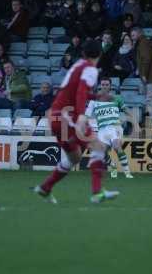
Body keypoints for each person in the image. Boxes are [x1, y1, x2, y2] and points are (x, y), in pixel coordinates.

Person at [33, 40, 119, 204]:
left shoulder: (79, 64)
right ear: (100, 54)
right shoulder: (90, 69)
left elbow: (73, 91)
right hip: (68, 116)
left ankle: (45, 188)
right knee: (98, 146)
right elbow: (80, 92)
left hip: (55, 116)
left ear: (84, 53)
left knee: (75, 158)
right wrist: (80, 115)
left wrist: (96, 97)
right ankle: (97, 192)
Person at [86, 77, 134, 179]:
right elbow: (87, 115)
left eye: (107, 85)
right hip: (102, 129)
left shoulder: (117, 98)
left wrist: (133, 118)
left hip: (115, 127)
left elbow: (125, 110)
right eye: (103, 84)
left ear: (110, 86)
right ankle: (113, 166)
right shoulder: (94, 100)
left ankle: (127, 172)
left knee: (117, 146)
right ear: (100, 86)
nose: (104, 86)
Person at [131, 27, 152, 128]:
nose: (132, 37)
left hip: (151, 76)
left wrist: (144, 74)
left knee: (150, 98)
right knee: (151, 98)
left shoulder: (143, 43)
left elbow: (146, 59)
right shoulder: (144, 42)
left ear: (139, 33)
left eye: (133, 35)